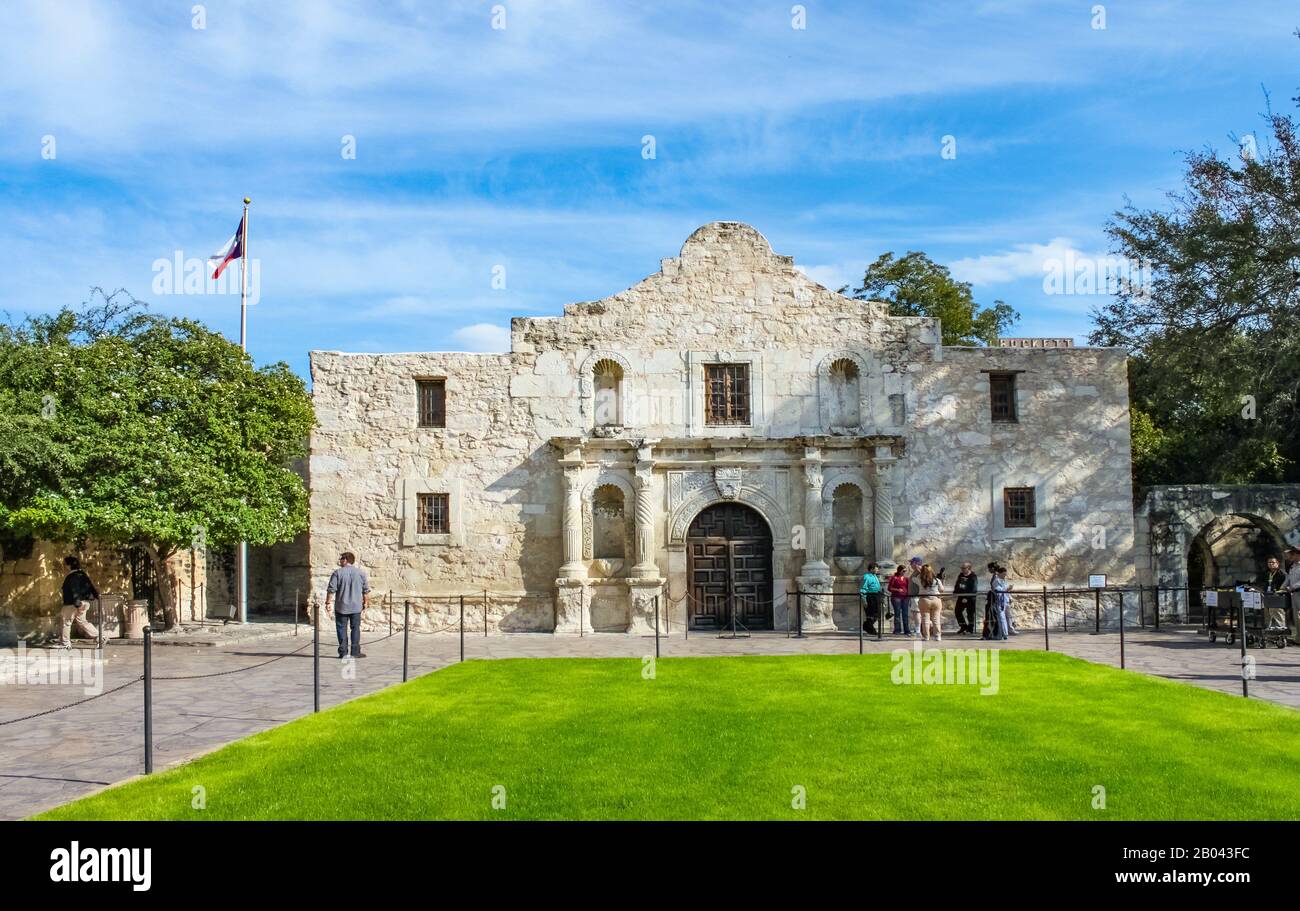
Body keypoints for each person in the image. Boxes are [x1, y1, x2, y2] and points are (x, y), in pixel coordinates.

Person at [325, 551, 370, 659]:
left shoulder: (337, 573)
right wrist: (366, 602)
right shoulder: (361, 573)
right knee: (355, 629)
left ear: (345, 560)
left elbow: (331, 590)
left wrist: (328, 602)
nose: (339, 561)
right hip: (356, 606)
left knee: (341, 629)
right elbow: (366, 590)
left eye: (341, 559)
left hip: (341, 606)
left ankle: (343, 652)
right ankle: (355, 652)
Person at [57, 556, 101, 649]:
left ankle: (65, 644)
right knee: (83, 622)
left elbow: (74, 589)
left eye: (64, 564)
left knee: (66, 622)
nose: (63, 566)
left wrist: (77, 602)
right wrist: (96, 596)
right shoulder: (82, 574)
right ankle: (99, 637)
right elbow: (90, 586)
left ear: (69, 566)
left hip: (72, 603)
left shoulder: (72, 577)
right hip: (84, 603)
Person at [916, 563, 944, 641]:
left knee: (925, 619)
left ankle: (926, 636)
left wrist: (918, 570)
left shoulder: (920, 579)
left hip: (924, 599)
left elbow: (913, 579)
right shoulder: (937, 580)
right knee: (936, 619)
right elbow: (942, 589)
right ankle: (937, 636)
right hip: (936, 599)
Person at [1259, 556, 1288, 631]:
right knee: (1267, 615)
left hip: (1278, 597)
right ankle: (1268, 631)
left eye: (1273, 562)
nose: (1271, 564)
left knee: (1278, 614)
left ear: (1277, 563)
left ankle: (1281, 632)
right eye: (1269, 562)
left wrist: (1279, 593)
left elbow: (1285, 585)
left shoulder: (1282, 574)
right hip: (1268, 596)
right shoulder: (1267, 573)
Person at [887, 564, 912, 636]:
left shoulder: (906, 579)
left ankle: (907, 630)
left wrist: (909, 595)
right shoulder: (894, 578)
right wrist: (898, 590)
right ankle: (897, 630)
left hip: (905, 598)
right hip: (896, 597)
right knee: (897, 613)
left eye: (905, 571)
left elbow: (908, 588)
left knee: (905, 614)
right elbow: (890, 588)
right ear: (899, 570)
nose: (904, 572)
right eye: (903, 571)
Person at [953, 562, 977, 634]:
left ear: (968, 568)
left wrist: (966, 597)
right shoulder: (960, 575)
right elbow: (957, 584)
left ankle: (970, 628)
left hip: (970, 597)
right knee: (957, 611)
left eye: (964, 568)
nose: (962, 570)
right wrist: (955, 592)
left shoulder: (973, 576)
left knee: (970, 613)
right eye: (961, 568)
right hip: (961, 596)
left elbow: (973, 588)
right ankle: (963, 626)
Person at [859, 562, 883, 635]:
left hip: (876, 596)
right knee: (870, 614)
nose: (877, 570)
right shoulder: (866, 577)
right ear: (871, 569)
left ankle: (867, 626)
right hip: (870, 597)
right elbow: (863, 588)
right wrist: (864, 600)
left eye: (877, 569)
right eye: (876, 569)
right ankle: (870, 629)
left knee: (877, 614)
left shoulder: (875, 576)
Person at [992, 564, 1013, 640]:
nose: (1005, 575)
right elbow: (998, 590)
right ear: (1000, 573)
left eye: (1005, 574)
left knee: (1009, 616)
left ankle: (1010, 630)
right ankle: (1004, 633)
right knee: (1002, 617)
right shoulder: (996, 581)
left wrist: (1010, 596)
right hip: (1000, 601)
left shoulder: (1004, 581)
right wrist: (1007, 589)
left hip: (1006, 600)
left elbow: (1006, 590)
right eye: (1003, 574)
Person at [907, 556, 923, 637]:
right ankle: (917, 630)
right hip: (913, 597)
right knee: (915, 614)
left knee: (917, 614)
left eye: (911, 563)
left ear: (916, 563)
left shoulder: (919, 571)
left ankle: (918, 632)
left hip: (917, 596)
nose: (910, 564)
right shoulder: (915, 571)